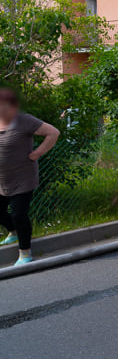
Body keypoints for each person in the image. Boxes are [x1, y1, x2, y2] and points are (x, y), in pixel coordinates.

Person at [0, 89, 60, 266]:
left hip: (23, 177)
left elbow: (53, 133)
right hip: (2, 178)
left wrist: (37, 153)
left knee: (19, 214)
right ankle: (13, 232)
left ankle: (25, 253)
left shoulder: (23, 120)